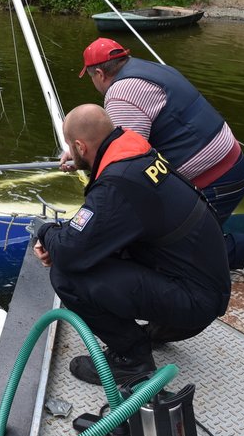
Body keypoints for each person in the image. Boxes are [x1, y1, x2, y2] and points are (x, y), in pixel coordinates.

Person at [34, 104, 231, 384]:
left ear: (80, 145)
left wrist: (46, 232)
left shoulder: (117, 184)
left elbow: (68, 252)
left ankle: (132, 360)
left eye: (71, 146)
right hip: (205, 286)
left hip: (194, 302)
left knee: (66, 275)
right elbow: (95, 227)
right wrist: (65, 238)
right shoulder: (135, 151)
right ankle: (157, 329)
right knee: (89, 250)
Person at [70, 38, 244, 272]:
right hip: (229, 166)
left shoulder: (121, 94)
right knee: (162, 239)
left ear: (99, 73)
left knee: (165, 258)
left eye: (91, 78)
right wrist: (78, 156)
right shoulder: (151, 69)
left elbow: (123, 166)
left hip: (214, 180)